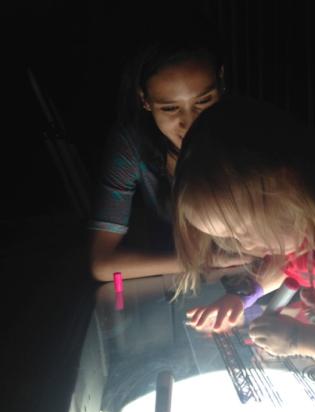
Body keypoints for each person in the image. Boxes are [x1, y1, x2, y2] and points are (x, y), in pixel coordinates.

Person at [172, 96, 315, 368]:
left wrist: (297, 340)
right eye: (231, 238)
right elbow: (287, 268)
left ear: (287, 188)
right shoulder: (300, 228)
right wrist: (243, 296)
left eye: (244, 231)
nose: (245, 246)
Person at [89, 14, 248, 281]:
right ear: (144, 100)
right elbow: (103, 263)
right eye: (170, 108)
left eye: (204, 101)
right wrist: (209, 261)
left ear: (221, 81)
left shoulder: (250, 133)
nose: (190, 122)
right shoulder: (132, 146)